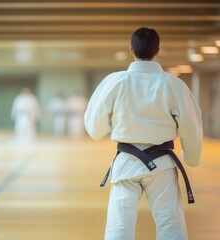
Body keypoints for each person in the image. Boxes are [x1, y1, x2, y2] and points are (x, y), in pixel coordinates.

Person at [84, 27, 203, 240]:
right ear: (157, 51)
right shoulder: (173, 84)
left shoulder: (115, 81)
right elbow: (191, 123)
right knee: (170, 226)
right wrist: (191, 158)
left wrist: (113, 125)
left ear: (131, 50)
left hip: (126, 163)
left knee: (119, 226)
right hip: (163, 166)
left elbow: (94, 127)